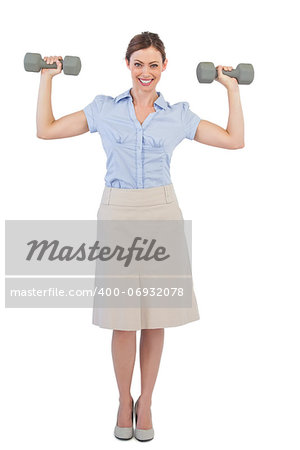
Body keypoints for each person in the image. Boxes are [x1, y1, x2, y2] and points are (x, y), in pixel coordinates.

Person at [36, 31, 245, 441]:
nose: (145, 72)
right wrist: (47, 78)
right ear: (127, 66)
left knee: (155, 319)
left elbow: (234, 140)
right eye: (138, 64)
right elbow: (46, 129)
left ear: (164, 67)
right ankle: (121, 399)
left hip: (162, 213)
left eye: (153, 64)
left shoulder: (179, 115)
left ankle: (146, 401)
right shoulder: (104, 110)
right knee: (123, 321)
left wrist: (231, 88)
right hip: (117, 214)